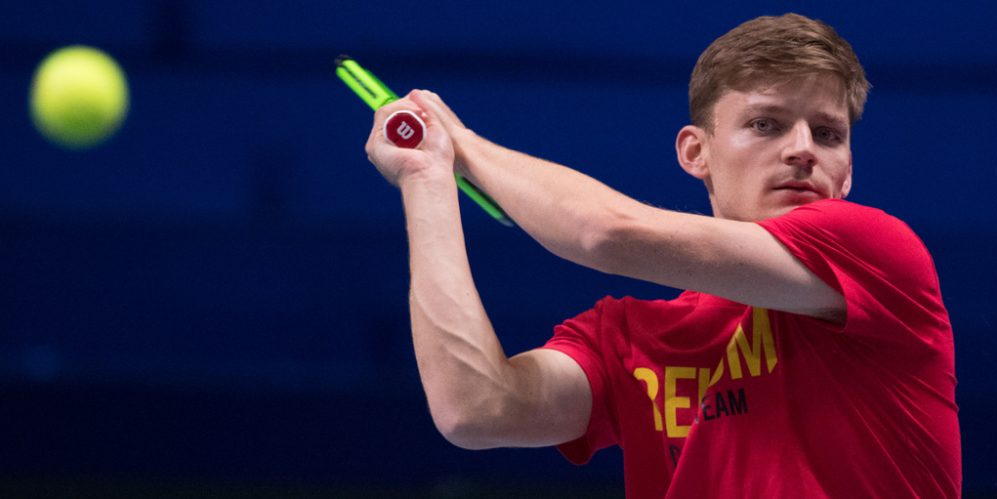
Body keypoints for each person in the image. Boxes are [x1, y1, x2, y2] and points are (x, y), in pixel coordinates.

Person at [363, 13, 961, 498]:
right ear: (695, 152)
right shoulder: (628, 339)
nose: (803, 150)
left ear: (848, 171)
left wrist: (462, 146)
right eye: (766, 124)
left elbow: (604, 232)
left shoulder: (880, 253)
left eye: (828, 134)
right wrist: (426, 175)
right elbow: (477, 409)